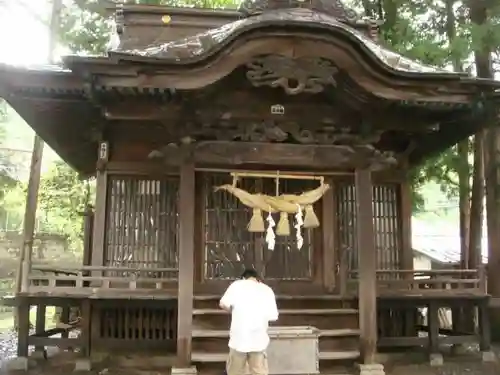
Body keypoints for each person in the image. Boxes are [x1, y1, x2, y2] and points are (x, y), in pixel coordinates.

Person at [219, 268, 278, 375]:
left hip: (238, 339)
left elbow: (223, 304)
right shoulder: (267, 290)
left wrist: (234, 311)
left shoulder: (236, 285)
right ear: (258, 279)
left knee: (235, 371)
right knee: (258, 371)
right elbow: (273, 316)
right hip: (258, 339)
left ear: (243, 278)